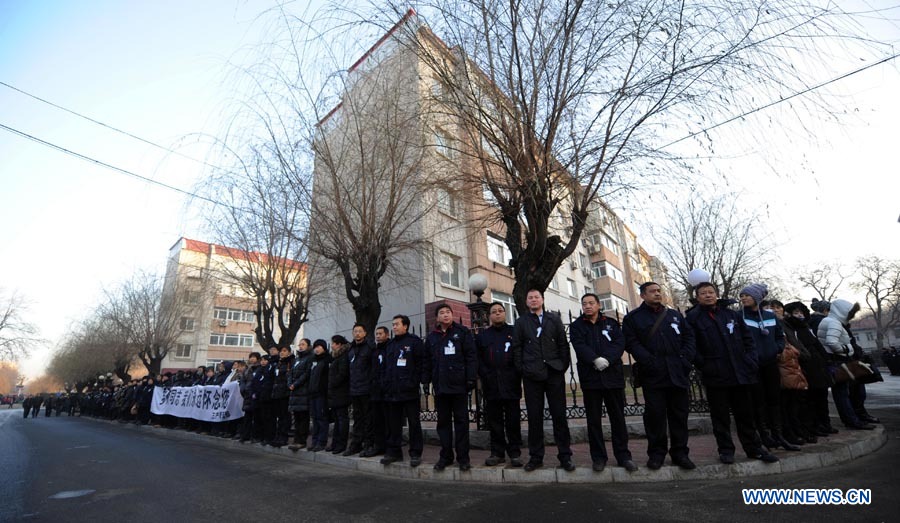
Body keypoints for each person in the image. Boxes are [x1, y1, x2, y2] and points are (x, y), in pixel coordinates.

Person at [686, 282, 778, 464]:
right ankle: (726, 450)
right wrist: (704, 365)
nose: (708, 295)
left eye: (711, 292)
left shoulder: (731, 314)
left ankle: (754, 448)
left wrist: (750, 360)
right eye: (703, 293)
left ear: (717, 294)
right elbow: (691, 345)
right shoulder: (693, 319)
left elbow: (747, 339)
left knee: (746, 415)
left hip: (740, 373)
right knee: (720, 417)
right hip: (715, 375)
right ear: (697, 297)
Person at [623, 281, 697, 470]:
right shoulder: (633, 318)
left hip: (677, 373)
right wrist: (648, 360)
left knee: (679, 416)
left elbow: (689, 337)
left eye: (659, 291)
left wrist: (685, 359)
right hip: (653, 375)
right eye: (652, 291)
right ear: (643, 295)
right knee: (655, 416)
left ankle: (680, 453)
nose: (657, 294)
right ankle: (656, 454)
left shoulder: (673, 315)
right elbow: (631, 342)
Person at [570, 293, 637, 472]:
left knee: (618, 419)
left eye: (591, 303)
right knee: (594, 421)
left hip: (613, 378)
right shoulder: (577, 326)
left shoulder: (611, 323)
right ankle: (599, 458)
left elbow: (619, 343)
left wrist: (607, 359)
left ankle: (624, 456)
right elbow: (579, 345)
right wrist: (594, 359)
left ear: (599, 305)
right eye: (584, 304)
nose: (588, 306)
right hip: (591, 379)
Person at [511, 288, 575, 472]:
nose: (533, 300)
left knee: (559, 416)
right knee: (534, 417)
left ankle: (565, 456)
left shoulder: (553, 319)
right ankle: (536, 457)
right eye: (530, 297)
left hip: (554, 373)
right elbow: (517, 348)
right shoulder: (521, 322)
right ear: (526, 302)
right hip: (532, 375)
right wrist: (522, 369)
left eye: (536, 297)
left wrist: (562, 365)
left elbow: (563, 344)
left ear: (542, 299)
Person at [740, 284, 797, 452]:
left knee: (774, 400)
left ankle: (778, 436)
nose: (743, 298)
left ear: (757, 298)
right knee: (758, 402)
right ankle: (764, 436)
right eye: (742, 296)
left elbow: (780, 336)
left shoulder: (769, 317)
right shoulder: (739, 317)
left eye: (747, 295)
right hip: (752, 366)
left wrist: (777, 349)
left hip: (771, 364)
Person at [424, 303, 478, 472]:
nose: (446, 315)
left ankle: (463, 458)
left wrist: (470, 379)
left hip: (459, 386)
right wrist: (426, 380)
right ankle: (445, 456)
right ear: (437, 317)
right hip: (441, 387)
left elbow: (471, 356)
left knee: (462, 422)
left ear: (452, 315)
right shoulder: (432, 337)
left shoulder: (462, 332)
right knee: (443, 423)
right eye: (442, 312)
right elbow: (427, 361)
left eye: (448, 312)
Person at [476, 302, 523, 468]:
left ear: (505, 314)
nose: (497, 314)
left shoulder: (514, 332)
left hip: (511, 383)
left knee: (513, 420)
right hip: (491, 384)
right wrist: (485, 374)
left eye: (500, 311)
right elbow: (478, 359)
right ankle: (497, 452)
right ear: (489, 316)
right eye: (494, 312)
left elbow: (520, 354)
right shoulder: (483, 336)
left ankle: (515, 452)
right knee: (494, 421)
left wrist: (517, 372)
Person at [816, 299, 875, 430]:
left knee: (841, 394)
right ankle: (852, 421)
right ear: (842, 312)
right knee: (842, 394)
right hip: (838, 361)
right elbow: (832, 342)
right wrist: (847, 349)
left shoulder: (829, 321)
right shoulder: (834, 323)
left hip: (833, 360)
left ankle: (851, 419)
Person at [783, 302, 835, 437]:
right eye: (795, 312)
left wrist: (826, 359)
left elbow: (816, 344)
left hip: (818, 366)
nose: (799, 315)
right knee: (809, 399)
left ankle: (825, 423)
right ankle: (814, 426)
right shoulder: (791, 328)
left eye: (801, 312)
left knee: (822, 397)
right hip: (806, 366)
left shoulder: (807, 327)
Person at [381, 315, 426, 467]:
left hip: (409, 391)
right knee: (393, 424)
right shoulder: (391, 344)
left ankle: (415, 453)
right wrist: (386, 384)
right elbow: (386, 367)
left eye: (397, 324)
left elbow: (421, 364)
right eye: (393, 324)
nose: (394, 327)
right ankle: (394, 452)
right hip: (392, 391)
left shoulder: (414, 342)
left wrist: (414, 382)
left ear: (405, 326)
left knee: (414, 423)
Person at [361, 326, 390, 458]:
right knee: (376, 421)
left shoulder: (391, 348)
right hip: (375, 391)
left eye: (380, 333)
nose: (378, 336)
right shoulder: (375, 351)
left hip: (388, 391)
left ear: (387, 335)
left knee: (388, 421)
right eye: (376, 334)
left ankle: (389, 447)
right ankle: (378, 446)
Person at [345, 324, 374, 456]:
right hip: (354, 389)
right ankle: (355, 444)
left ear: (365, 333)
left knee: (368, 419)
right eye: (355, 331)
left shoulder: (369, 348)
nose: (357, 334)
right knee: (357, 419)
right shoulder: (350, 349)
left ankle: (368, 444)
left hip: (366, 389)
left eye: (360, 331)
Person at [288, 339, 314, 450]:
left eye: (303, 344)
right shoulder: (297, 359)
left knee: (303, 418)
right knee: (297, 418)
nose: (300, 346)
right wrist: (290, 383)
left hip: (303, 392)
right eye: (299, 344)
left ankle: (302, 440)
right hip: (295, 393)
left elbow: (306, 374)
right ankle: (296, 439)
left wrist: (295, 384)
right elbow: (291, 373)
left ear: (308, 346)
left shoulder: (310, 358)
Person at [327, 335, 351, 454]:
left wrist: (332, 383)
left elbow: (342, 374)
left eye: (334, 343)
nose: (332, 345)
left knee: (342, 419)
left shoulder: (343, 357)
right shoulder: (337, 357)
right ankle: (335, 443)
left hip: (342, 393)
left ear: (340, 344)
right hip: (336, 393)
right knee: (337, 419)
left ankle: (341, 444)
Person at [307, 339, 332, 452]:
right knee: (315, 418)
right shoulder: (313, 360)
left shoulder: (327, 360)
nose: (317, 349)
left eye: (319, 346)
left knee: (322, 418)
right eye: (315, 346)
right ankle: (315, 441)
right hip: (313, 393)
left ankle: (321, 442)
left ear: (324, 347)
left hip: (322, 394)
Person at [270, 346, 295, 447]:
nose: (282, 353)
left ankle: (283, 437)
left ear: (289, 352)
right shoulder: (279, 363)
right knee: (279, 416)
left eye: (284, 351)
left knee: (285, 416)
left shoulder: (291, 362)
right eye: (281, 351)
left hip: (285, 393)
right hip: (277, 393)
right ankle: (278, 436)